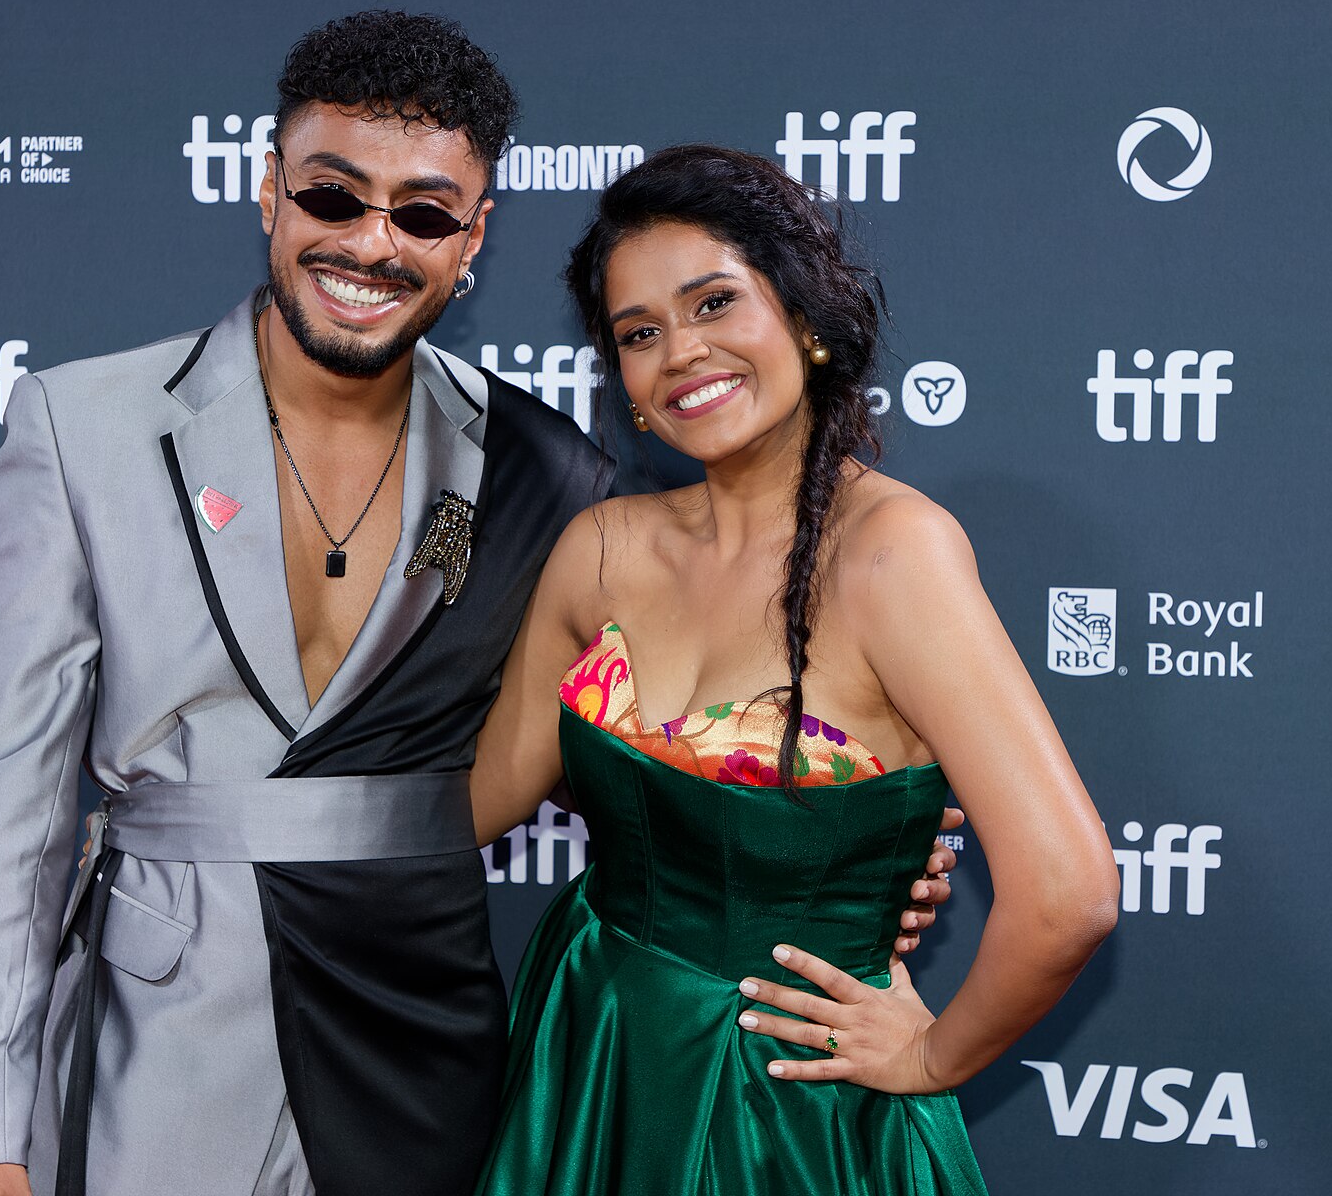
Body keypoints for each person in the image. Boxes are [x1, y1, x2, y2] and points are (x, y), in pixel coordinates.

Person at [0, 15, 960, 1196]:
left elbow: (593, 740)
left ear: (472, 239)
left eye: (421, 214)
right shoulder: (82, 426)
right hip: (156, 1034)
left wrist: (825, 847)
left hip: (418, 1026)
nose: (372, 244)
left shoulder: (541, 464)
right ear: (268, 190)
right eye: (332, 196)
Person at [466, 145, 1120, 1194]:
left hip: (786, 1106)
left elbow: (1069, 890)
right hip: (597, 1053)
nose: (681, 350)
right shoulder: (601, 548)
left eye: (715, 302)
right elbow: (476, 800)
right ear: (624, 385)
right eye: (639, 333)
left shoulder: (894, 552)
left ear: (806, 318)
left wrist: (928, 1054)